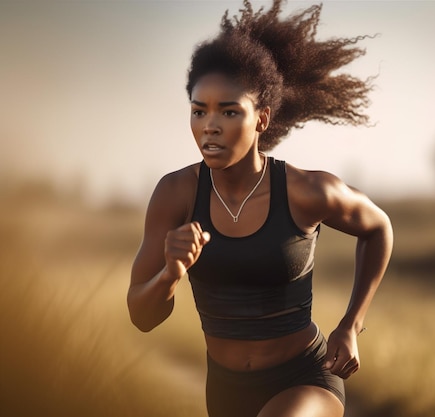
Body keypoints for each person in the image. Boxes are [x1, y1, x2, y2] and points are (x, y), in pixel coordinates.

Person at [127, 1, 393, 416]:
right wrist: (170, 273)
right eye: (199, 111)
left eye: (229, 111)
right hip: (226, 390)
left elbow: (378, 228)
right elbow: (141, 315)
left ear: (262, 119)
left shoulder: (306, 190)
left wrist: (350, 325)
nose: (210, 125)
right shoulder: (175, 193)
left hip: (305, 376)